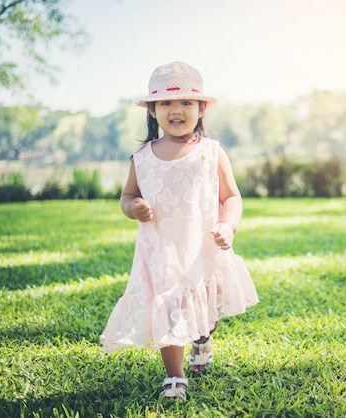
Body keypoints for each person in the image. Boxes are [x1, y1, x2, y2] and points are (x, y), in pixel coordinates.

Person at [100, 61, 259, 402]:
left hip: (203, 249)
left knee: (208, 313)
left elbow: (231, 196)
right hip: (161, 253)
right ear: (153, 111)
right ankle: (175, 376)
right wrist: (134, 208)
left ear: (201, 108)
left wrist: (227, 225)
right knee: (169, 310)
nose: (177, 109)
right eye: (167, 103)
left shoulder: (211, 152)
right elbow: (127, 196)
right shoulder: (142, 158)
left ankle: (202, 339)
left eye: (187, 102)